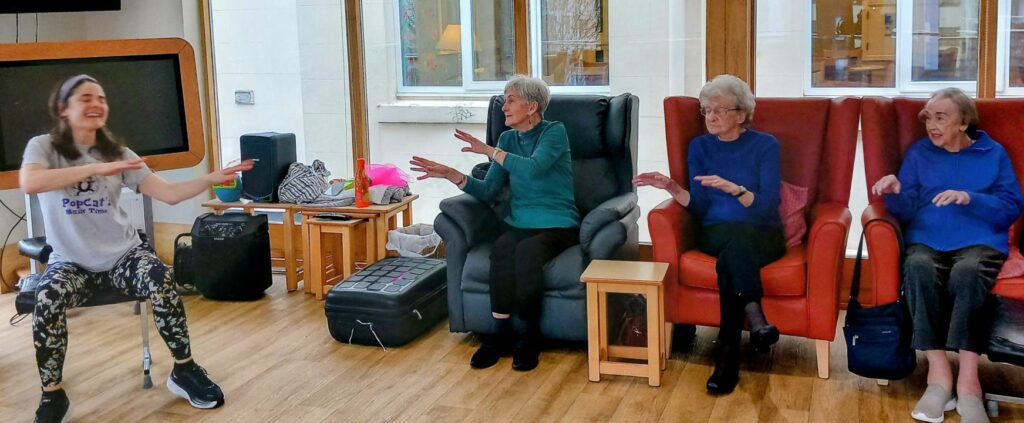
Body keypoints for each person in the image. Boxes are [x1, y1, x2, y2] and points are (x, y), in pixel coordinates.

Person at [20, 74, 254, 423]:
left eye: (101, 98)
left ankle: (184, 371)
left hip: (123, 256)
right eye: (85, 98)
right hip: (71, 262)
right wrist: (98, 167)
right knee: (47, 298)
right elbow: (31, 182)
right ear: (63, 108)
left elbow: (169, 194)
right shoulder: (44, 147)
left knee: (161, 280)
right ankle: (52, 395)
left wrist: (209, 179)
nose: (96, 104)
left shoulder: (121, 155)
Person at [872, 87, 1022, 423]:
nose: (931, 124)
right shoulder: (919, 153)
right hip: (927, 238)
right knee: (918, 267)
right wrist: (896, 192)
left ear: (963, 121)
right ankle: (938, 377)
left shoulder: (992, 153)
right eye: (928, 117)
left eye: (941, 117)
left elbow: (1011, 207)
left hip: (980, 240)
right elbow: (907, 209)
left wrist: (971, 198)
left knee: (968, 273)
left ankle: (969, 383)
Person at [409, 75, 579, 372]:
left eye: (511, 100)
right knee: (501, 249)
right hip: (520, 221)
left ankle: (528, 337)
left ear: (532, 106)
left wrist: (488, 151)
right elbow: (488, 190)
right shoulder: (506, 139)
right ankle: (498, 335)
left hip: (557, 222)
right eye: (504, 100)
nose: (503, 107)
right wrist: (453, 174)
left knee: (527, 254)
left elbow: (534, 169)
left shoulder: (555, 132)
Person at [633, 74, 783, 394]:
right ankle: (754, 320)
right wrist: (671, 187)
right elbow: (699, 206)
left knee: (733, 255)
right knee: (732, 243)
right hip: (715, 231)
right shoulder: (699, 147)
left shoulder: (766, 145)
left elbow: (768, 205)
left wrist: (736, 189)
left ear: (741, 114)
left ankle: (728, 356)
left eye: (718, 110)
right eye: (706, 111)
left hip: (763, 233)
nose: (710, 117)